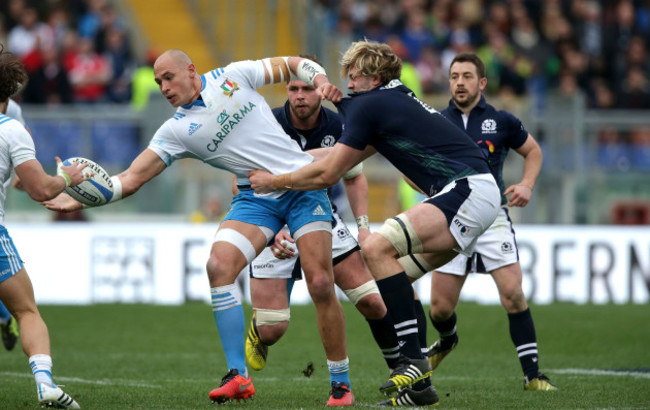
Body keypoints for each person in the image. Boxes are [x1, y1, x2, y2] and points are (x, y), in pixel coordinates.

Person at [44, 49, 354, 406]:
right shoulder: (174, 131)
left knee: (319, 281)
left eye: (168, 78)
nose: (163, 87)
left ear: (190, 70)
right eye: (159, 82)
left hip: (300, 186)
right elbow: (128, 179)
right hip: (255, 197)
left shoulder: (234, 75)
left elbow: (290, 64)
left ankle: (341, 386)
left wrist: (319, 80)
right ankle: (238, 376)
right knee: (218, 266)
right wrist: (82, 198)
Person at [249, 39, 501, 407]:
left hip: (467, 190)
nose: (349, 83)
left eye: (355, 76)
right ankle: (419, 390)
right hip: (474, 196)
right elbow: (341, 155)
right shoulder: (389, 102)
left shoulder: (371, 104)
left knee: (375, 247)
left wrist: (276, 181)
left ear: (375, 77)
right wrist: (290, 159)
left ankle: (413, 359)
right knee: (392, 278)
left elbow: (330, 173)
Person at [401, 52, 555, 391]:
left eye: (467, 76)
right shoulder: (435, 121)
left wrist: (527, 184)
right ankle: (448, 338)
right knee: (440, 309)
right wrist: (432, 188)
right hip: (450, 215)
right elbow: (412, 166)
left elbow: (534, 152)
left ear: (482, 83)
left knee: (513, 293)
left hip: (492, 215)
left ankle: (533, 376)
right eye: (454, 76)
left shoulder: (502, 122)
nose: (459, 82)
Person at [244, 55, 399, 384]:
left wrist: (364, 227)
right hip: (273, 217)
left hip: (319, 215)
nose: (299, 95)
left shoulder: (338, 127)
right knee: (273, 328)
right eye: (292, 88)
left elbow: (355, 177)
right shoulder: (266, 124)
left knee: (372, 301)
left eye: (306, 89)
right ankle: (259, 332)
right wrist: (271, 234)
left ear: (320, 91)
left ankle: (403, 371)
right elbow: (241, 182)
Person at [0, 45, 86, 408]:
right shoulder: (11, 128)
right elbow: (40, 189)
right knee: (27, 311)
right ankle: (45, 383)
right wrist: (66, 177)